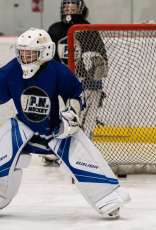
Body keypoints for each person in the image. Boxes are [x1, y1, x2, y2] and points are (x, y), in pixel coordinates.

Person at [0, 28, 130, 218]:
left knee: (81, 151)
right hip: (24, 126)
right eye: (22, 52)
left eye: (30, 53)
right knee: (3, 145)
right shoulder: (12, 70)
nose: (24, 57)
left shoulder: (57, 71)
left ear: (45, 52)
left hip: (55, 128)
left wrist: (72, 115)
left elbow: (75, 94)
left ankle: (107, 197)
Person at [45, 0, 108, 166]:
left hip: (87, 83)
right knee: (64, 116)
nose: (69, 9)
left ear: (81, 9)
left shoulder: (88, 29)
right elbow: (48, 56)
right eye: (66, 6)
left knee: (85, 120)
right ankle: (61, 148)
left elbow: (101, 59)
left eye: (72, 7)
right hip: (63, 81)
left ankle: (85, 150)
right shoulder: (55, 29)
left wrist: (94, 76)